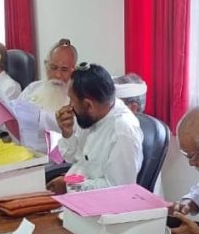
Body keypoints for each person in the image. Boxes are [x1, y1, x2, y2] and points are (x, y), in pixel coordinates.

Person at [48, 63, 143, 193]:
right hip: (75, 194)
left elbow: (117, 190)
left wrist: (69, 186)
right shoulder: (93, 115)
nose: (69, 106)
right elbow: (76, 158)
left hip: (101, 203)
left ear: (89, 105)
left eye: (72, 101)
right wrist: (67, 133)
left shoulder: (123, 131)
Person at [18, 38, 78, 117]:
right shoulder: (32, 88)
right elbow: (15, 113)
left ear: (74, 71)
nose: (57, 75)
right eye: (53, 68)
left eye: (64, 70)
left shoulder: (78, 101)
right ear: (46, 65)